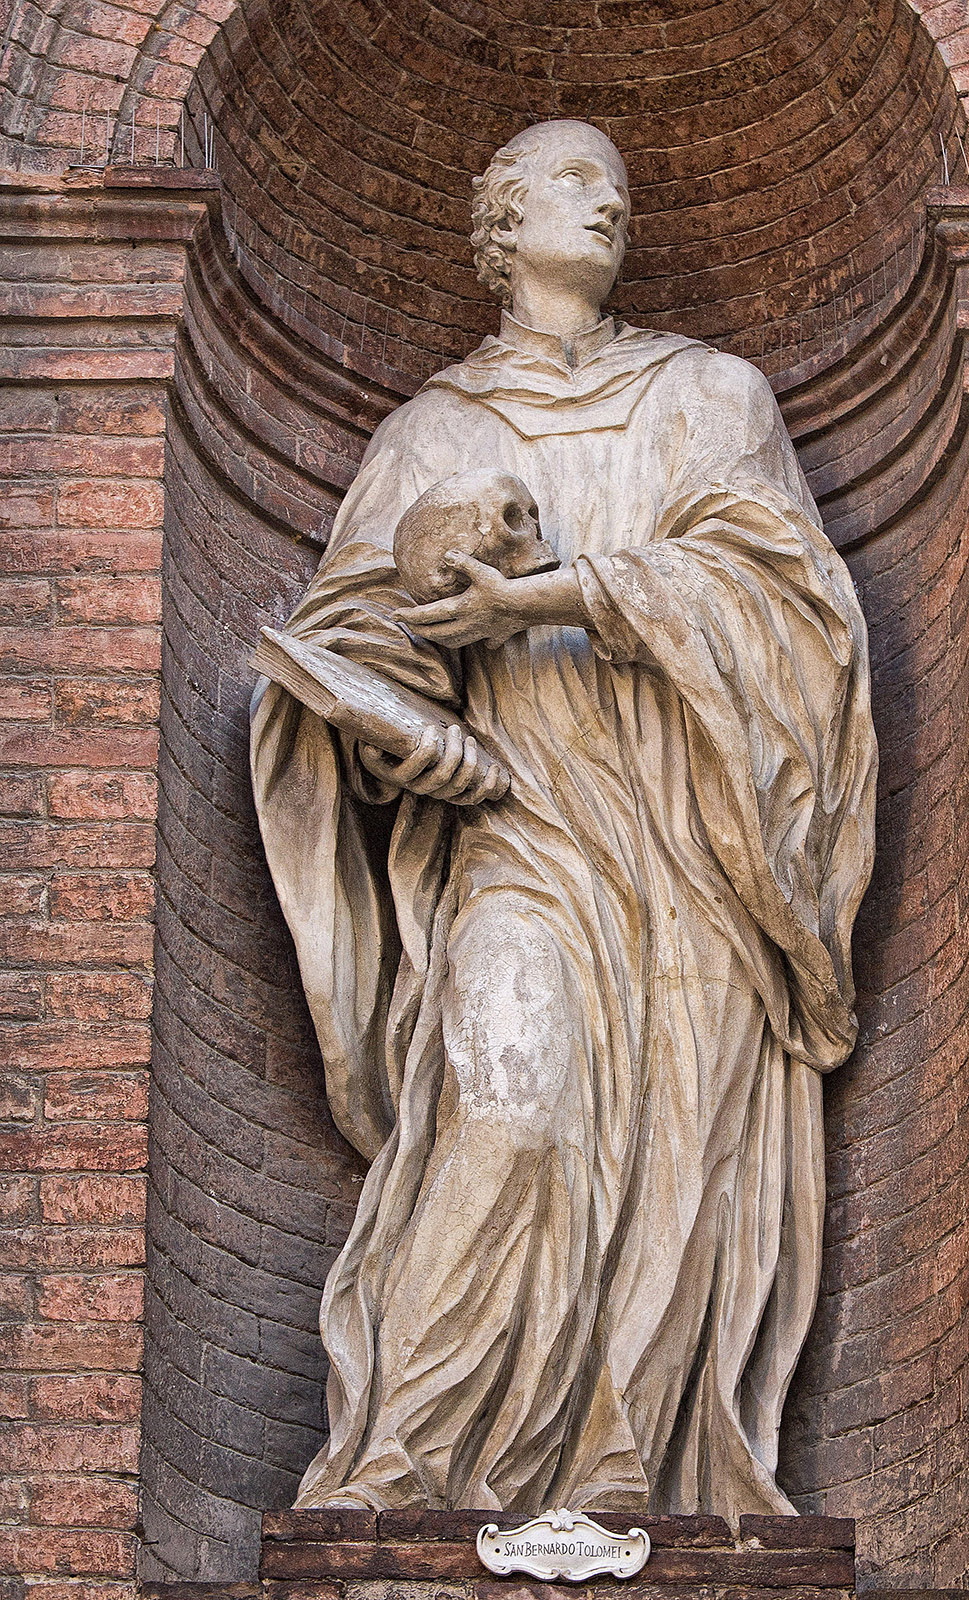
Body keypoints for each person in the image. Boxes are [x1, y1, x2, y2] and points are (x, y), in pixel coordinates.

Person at [250, 118, 877, 1523]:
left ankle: (632, 1468)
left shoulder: (710, 393)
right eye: (575, 178)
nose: (610, 203)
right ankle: (406, 1459)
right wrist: (396, 722)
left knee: (679, 1149)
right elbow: (353, 637)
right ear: (500, 214)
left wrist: (556, 595)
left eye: (620, 186)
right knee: (508, 1107)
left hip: (694, 838)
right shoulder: (431, 431)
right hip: (520, 829)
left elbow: (789, 604)